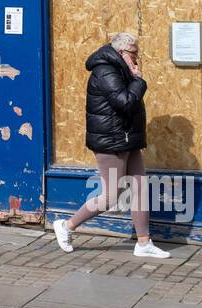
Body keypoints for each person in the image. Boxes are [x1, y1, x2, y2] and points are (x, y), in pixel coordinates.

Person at [54, 32, 171, 259]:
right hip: (111, 142)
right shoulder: (105, 71)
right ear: (121, 52)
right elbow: (124, 103)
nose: (137, 57)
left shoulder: (120, 69)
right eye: (134, 53)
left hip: (127, 139)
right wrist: (138, 81)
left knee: (140, 189)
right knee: (111, 196)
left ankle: (144, 243)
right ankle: (67, 226)